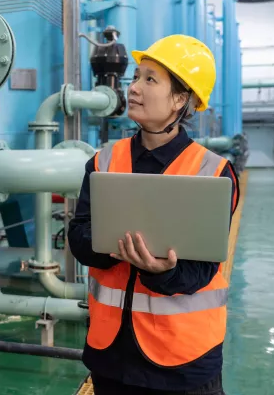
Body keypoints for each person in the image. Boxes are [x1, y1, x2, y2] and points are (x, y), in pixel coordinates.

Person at [68, 34, 240, 395]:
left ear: (181, 98)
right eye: (136, 77)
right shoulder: (104, 161)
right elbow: (79, 236)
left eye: (150, 79)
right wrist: (108, 245)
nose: (134, 88)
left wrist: (165, 271)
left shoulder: (211, 172)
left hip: (182, 362)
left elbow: (201, 270)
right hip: (112, 357)